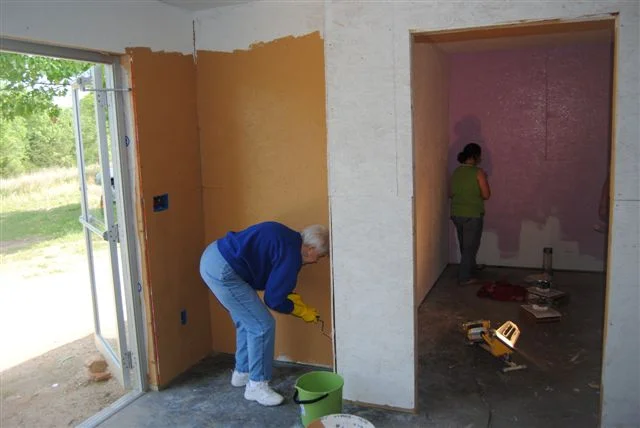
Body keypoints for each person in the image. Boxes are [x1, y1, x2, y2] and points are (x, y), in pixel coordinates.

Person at [199, 221, 329, 406]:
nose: (317, 260)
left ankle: (242, 372)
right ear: (310, 248)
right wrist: (298, 309)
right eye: (320, 255)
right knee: (262, 325)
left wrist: (288, 296)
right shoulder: (291, 255)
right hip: (224, 270)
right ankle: (256, 386)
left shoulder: (288, 239)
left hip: (214, 256)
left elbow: (274, 282)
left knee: (247, 321)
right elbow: (273, 299)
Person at [450, 143, 491, 285]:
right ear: (475, 156)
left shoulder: (456, 171)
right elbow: (486, 195)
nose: (481, 158)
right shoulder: (478, 172)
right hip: (472, 214)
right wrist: (484, 179)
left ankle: (470, 267)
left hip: (456, 213)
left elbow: (451, 193)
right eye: (479, 155)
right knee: (470, 247)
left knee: (465, 245)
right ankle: (464, 277)